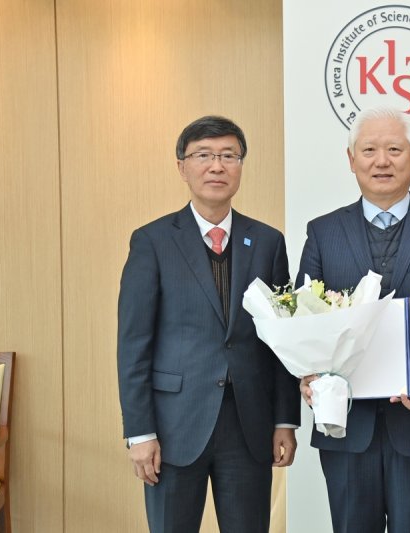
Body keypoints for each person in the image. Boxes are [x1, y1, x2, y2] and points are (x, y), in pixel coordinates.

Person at [297, 107, 410, 533]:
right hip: (345, 422)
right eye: (369, 150)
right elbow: (305, 321)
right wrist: (308, 374)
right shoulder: (322, 232)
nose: (382, 161)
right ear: (351, 159)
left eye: (395, 150)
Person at [117, 115, 300, 533]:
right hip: (174, 427)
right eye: (203, 155)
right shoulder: (152, 241)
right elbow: (133, 344)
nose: (217, 166)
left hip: (249, 426)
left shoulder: (268, 242)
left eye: (228, 156)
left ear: (240, 166)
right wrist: (140, 432)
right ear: (182, 167)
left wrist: (284, 421)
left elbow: (282, 341)